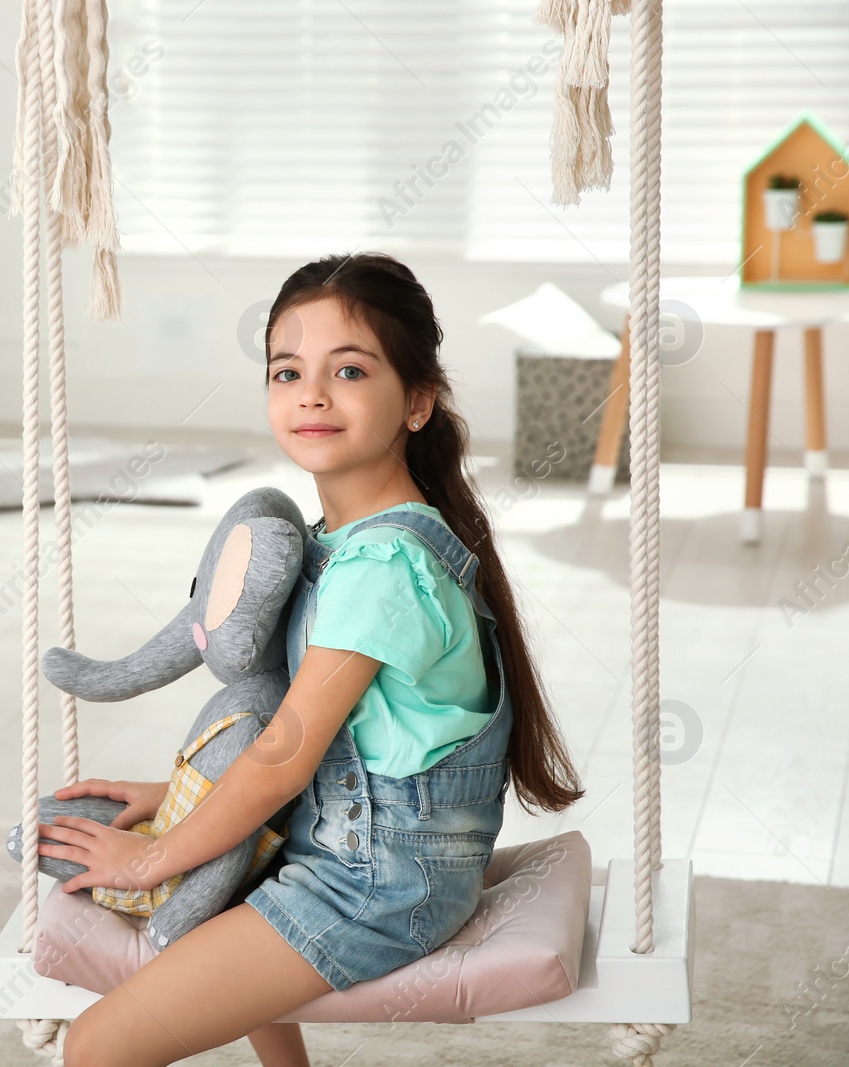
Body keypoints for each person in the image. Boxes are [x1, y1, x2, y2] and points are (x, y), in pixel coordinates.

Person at [34, 252, 585, 1067]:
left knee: (96, 1045)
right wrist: (174, 792)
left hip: (379, 884)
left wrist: (153, 852)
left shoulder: (381, 566)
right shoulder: (347, 543)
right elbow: (339, 744)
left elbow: (286, 755)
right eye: (286, 371)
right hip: (350, 844)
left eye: (351, 370)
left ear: (419, 401)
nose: (311, 395)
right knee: (224, 903)